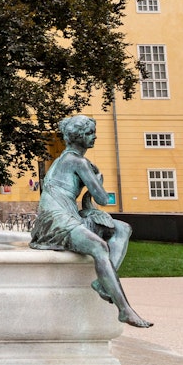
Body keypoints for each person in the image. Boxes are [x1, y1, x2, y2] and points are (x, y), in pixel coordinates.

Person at [30, 115, 152, 328]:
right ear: (77, 137)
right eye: (89, 133)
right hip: (56, 221)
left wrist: (89, 196)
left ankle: (103, 283)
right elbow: (103, 199)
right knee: (99, 246)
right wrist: (99, 179)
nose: (95, 136)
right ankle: (125, 310)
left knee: (123, 228)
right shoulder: (76, 160)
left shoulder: (67, 159)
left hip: (67, 215)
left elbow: (89, 200)